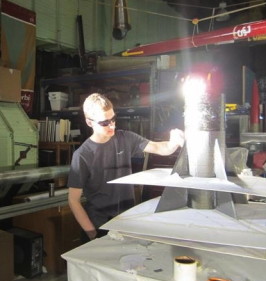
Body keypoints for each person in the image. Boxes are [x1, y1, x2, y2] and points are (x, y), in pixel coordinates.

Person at [68, 93, 184, 241]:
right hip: (99, 226)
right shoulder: (82, 155)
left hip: (126, 223)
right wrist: (93, 234)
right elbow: (73, 200)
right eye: (104, 123)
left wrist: (174, 142)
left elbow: (160, 148)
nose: (112, 126)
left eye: (113, 119)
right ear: (89, 122)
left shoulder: (126, 138)